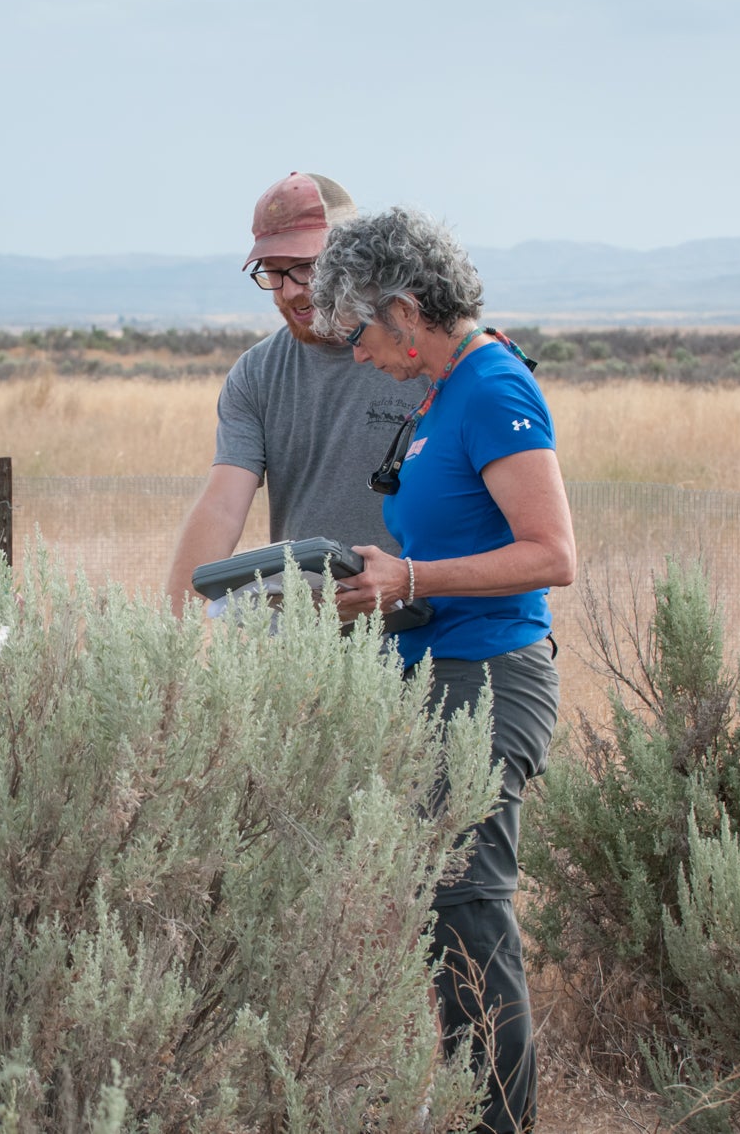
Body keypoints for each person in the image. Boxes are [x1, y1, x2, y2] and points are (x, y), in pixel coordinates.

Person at [312, 206, 575, 1134]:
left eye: (358, 331)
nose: (356, 354)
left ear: (404, 309)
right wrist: (374, 579)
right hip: (440, 669)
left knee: (470, 912)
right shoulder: (442, 390)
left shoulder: (493, 384)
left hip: (492, 677)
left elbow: (552, 554)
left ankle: (498, 1122)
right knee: (442, 911)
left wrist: (413, 576)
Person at [162, 173, 426, 614]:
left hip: (429, 630)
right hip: (310, 638)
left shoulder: (426, 356)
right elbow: (223, 507)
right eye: (273, 272)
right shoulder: (257, 373)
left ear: (355, 256)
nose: (291, 291)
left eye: (306, 267)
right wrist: (173, 632)